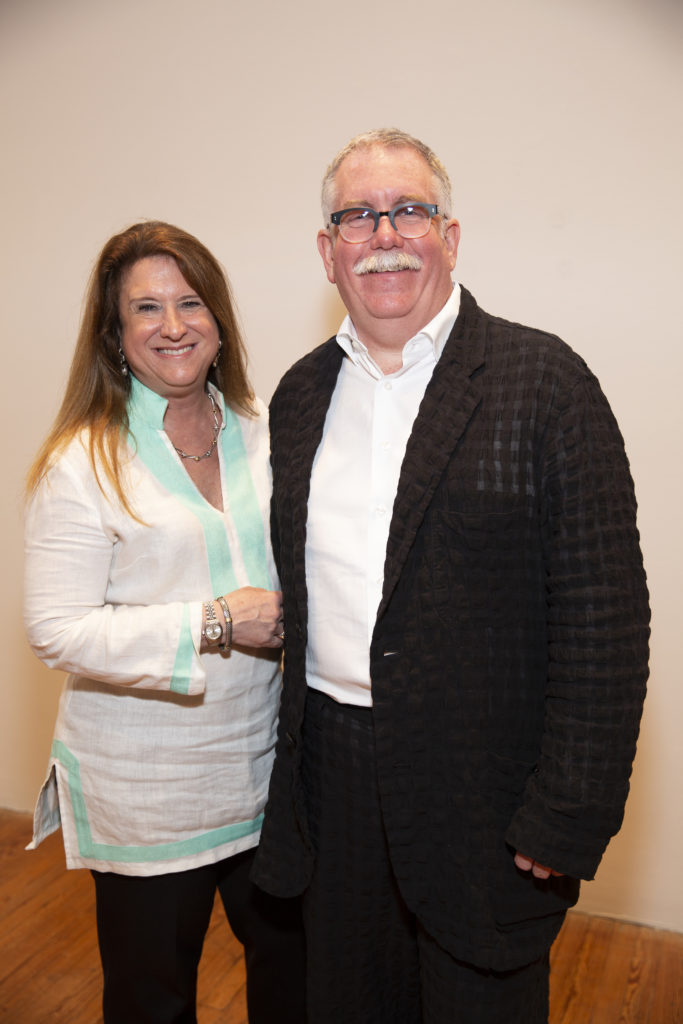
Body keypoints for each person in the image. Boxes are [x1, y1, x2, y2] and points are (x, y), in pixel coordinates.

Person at [252, 129, 650, 1023]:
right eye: (356, 216)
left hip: (485, 792)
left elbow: (604, 622)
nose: (383, 235)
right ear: (326, 250)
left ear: (451, 236)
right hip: (333, 787)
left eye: (410, 210)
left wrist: (567, 812)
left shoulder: (544, 383)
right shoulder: (300, 395)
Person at [24, 221, 305, 1024]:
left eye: (190, 303)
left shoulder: (265, 431)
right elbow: (56, 628)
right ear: (114, 335)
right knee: (153, 1001)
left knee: (298, 984)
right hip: (149, 791)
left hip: (268, 770)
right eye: (145, 308)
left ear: (219, 320)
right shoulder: (83, 462)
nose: (172, 325)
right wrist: (212, 622)